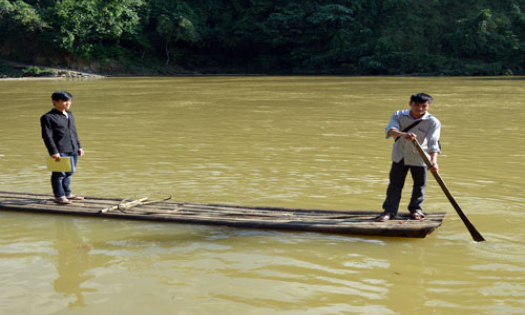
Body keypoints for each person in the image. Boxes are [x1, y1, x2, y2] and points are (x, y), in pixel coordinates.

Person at [377, 93, 441, 221]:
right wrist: (403, 134)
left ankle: (415, 209)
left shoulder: (433, 122)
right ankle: (389, 211)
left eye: (424, 106)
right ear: (410, 104)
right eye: (416, 105)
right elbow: (390, 130)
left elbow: (433, 142)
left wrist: (433, 161)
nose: (420, 109)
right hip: (400, 156)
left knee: (419, 185)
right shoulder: (398, 115)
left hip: (420, 157)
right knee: (395, 185)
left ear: (428, 106)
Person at [41, 91, 85, 204]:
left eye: (69, 101)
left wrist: (79, 147)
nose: (68, 103)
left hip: (73, 148)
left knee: (69, 172)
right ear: (55, 102)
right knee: (59, 175)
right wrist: (54, 152)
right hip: (60, 150)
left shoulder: (69, 114)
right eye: (65, 101)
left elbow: (74, 133)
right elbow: (47, 136)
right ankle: (59, 196)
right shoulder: (48, 117)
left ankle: (68, 194)